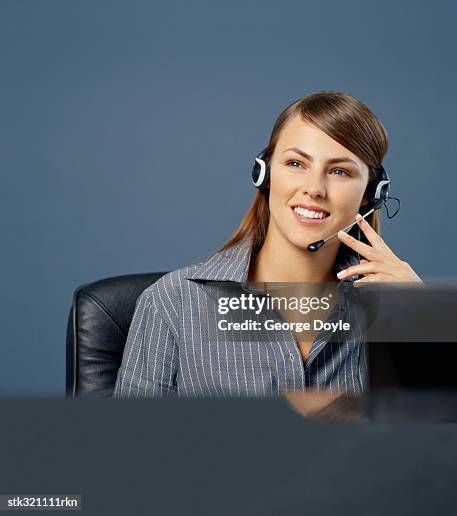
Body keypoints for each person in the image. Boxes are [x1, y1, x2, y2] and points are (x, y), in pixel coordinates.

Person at [113, 91, 422, 398]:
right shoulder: (173, 303)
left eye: (339, 171)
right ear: (265, 173)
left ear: (372, 193)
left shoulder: (390, 306)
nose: (314, 188)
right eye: (296, 163)